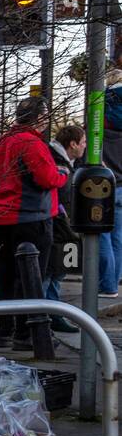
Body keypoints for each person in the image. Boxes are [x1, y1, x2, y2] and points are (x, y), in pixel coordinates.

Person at [0, 96, 66, 348]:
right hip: (29, 217)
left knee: (6, 276)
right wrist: (63, 175)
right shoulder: (31, 143)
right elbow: (46, 178)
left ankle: (4, 332)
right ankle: (25, 335)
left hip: (1, 217)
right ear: (40, 117)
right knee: (30, 276)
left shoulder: (2, 142)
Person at [45, 124, 84, 331]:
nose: (85, 147)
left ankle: (52, 315)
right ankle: (42, 318)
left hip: (59, 226)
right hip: (55, 226)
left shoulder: (66, 162)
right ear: (73, 144)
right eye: (84, 142)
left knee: (56, 272)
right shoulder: (59, 163)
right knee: (49, 272)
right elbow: (59, 197)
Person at [101, 68, 122, 297]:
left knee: (102, 235)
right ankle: (113, 284)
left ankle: (106, 285)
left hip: (107, 186)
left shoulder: (103, 112)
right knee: (118, 238)